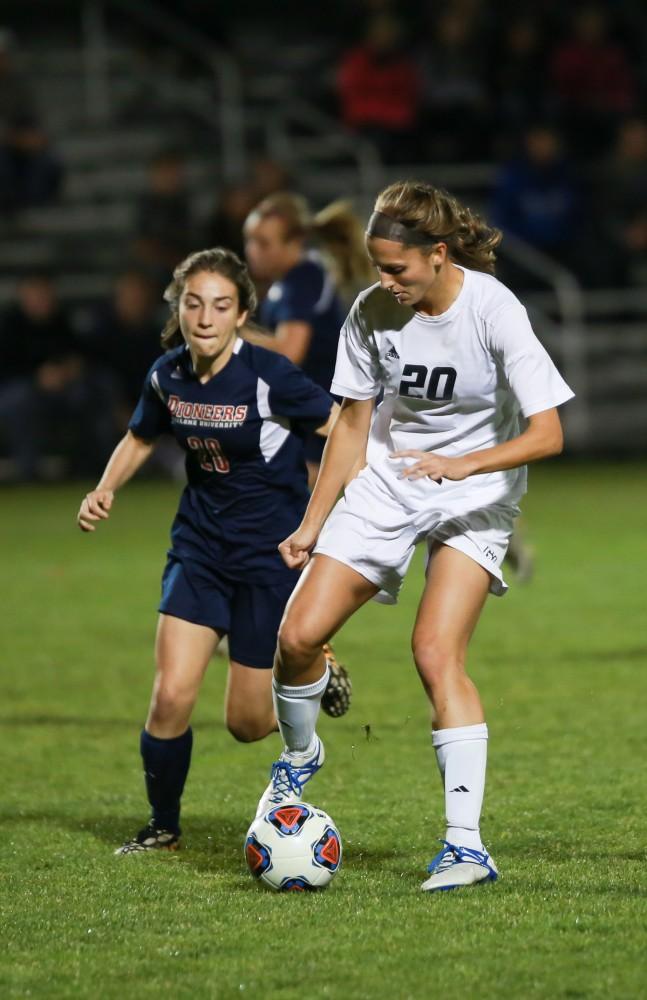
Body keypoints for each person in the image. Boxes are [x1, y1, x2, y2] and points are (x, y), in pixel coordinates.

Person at [253, 181, 574, 893]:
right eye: (376, 266)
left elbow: (547, 433)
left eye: (396, 268)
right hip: (389, 484)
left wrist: (464, 462)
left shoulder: (492, 308)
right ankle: (300, 760)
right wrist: (311, 523)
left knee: (433, 651)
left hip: (475, 493)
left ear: (436, 254)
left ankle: (465, 847)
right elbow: (353, 426)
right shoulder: (371, 312)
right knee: (298, 636)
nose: (384, 281)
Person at [76, 248, 350, 855]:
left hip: (268, 558)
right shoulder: (166, 374)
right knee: (171, 694)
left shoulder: (270, 375)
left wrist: (330, 509)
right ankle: (162, 824)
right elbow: (141, 434)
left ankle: (317, 666)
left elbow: (344, 431)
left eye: (221, 306)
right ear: (180, 308)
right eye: (194, 304)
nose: (205, 317)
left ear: (242, 313)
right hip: (198, 549)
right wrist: (104, 488)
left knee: (248, 725)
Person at [243, 191, 373, 487]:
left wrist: (232, 331)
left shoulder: (302, 279)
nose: (252, 250)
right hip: (319, 404)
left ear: (294, 243)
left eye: (263, 242)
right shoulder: (295, 278)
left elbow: (290, 352)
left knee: (299, 492)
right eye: (249, 240)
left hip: (329, 403)